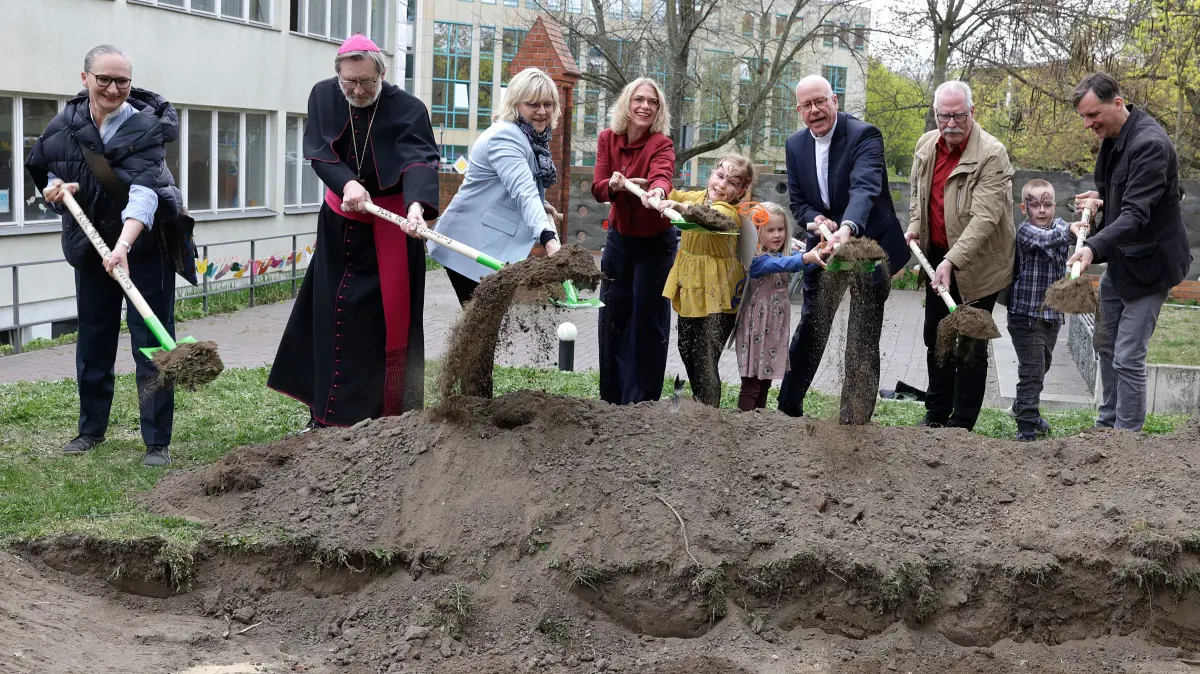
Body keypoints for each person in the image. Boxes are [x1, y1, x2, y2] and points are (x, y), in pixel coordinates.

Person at [268, 34, 441, 429]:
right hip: (340, 228)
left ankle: (386, 416)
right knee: (331, 317)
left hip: (394, 229)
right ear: (338, 75)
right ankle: (325, 415)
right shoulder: (324, 96)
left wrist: (416, 206)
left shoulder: (408, 108)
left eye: (367, 82)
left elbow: (419, 159)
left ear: (382, 73)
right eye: (350, 82)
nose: (358, 90)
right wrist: (347, 183)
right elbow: (320, 151)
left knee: (383, 325)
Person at [26, 45, 182, 467]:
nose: (114, 88)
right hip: (90, 246)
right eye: (104, 79)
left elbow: (144, 191)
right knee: (94, 340)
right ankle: (90, 429)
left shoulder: (148, 128)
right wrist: (56, 189)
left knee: (152, 345)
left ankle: (156, 441)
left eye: (123, 81)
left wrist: (125, 247)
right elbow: (42, 167)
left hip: (146, 247)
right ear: (85, 79)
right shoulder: (64, 125)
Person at [775, 75, 909, 424]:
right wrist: (817, 220)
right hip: (823, 245)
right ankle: (788, 409)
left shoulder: (864, 135)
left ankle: (855, 420)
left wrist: (847, 229)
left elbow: (864, 188)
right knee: (812, 324)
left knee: (863, 332)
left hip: (867, 244)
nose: (815, 110)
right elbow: (799, 202)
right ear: (798, 110)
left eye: (821, 101)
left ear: (834, 100)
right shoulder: (794, 145)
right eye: (807, 105)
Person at [427, 67, 564, 398]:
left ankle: (473, 400)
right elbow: (521, 190)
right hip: (468, 245)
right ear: (516, 103)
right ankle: (471, 403)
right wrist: (548, 239)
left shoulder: (531, 140)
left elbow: (515, 189)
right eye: (533, 104)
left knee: (483, 330)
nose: (542, 111)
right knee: (480, 329)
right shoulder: (506, 136)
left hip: (492, 245)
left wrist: (543, 210)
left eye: (547, 104)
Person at [1068, 73, 1191, 431]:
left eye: (1093, 115)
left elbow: (1137, 214)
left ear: (1117, 103)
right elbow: (1122, 197)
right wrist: (1099, 201)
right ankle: (1107, 425)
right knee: (1105, 344)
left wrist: (1092, 246)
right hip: (1123, 262)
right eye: (1084, 118)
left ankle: (1127, 439)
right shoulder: (1113, 136)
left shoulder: (1150, 143)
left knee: (1127, 357)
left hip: (1151, 267)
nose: (1089, 124)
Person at [906, 80, 1014, 431]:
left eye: (958, 115)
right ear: (935, 114)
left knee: (969, 341)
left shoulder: (992, 154)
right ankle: (936, 413)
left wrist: (951, 262)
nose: (950, 123)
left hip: (980, 264)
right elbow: (916, 193)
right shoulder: (926, 145)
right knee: (936, 335)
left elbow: (985, 219)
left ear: (972, 112)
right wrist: (914, 226)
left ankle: (962, 423)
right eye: (943, 116)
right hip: (937, 255)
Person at [591, 77, 677, 405]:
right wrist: (614, 185)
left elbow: (662, 173)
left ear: (658, 110)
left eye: (652, 102)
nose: (645, 106)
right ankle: (611, 398)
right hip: (619, 244)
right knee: (612, 318)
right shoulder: (607, 139)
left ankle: (641, 402)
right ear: (627, 103)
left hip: (656, 245)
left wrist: (656, 191)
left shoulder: (661, 144)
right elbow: (598, 187)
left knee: (647, 325)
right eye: (639, 99)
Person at [654, 154, 755, 407]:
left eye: (732, 183)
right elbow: (673, 193)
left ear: (742, 190)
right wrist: (654, 188)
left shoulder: (727, 211)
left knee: (705, 357)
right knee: (686, 348)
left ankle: (709, 413)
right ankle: (701, 403)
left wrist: (677, 208)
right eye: (720, 176)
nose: (721, 185)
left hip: (719, 296)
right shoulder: (698, 197)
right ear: (711, 174)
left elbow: (708, 217)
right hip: (693, 290)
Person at [734, 203, 824, 411]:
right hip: (756, 327)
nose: (777, 235)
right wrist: (805, 257)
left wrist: (819, 253)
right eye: (770, 230)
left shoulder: (782, 254)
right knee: (752, 382)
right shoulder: (755, 260)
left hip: (774, 328)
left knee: (765, 380)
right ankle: (743, 424)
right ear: (756, 232)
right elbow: (783, 264)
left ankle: (760, 420)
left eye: (781, 229)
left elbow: (795, 261)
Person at [1008, 179, 1072, 440]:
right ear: (1025, 208)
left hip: (1051, 316)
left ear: (1055, 206)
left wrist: (1081, 225)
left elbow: (1065, 230)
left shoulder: (1060, 226)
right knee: (1032, 370)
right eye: (1035, 205)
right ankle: (1026, 426)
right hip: (1025, 316)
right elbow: (1049, 239)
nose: (1042, 210)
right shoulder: (1025, 232)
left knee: (1042, 366)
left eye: (1047, 204)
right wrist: (1072, 231)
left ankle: (1022, 407)